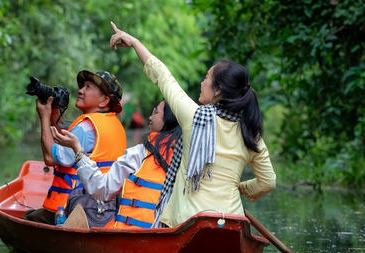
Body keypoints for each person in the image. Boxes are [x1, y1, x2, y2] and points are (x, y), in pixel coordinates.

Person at [109, 22, 276, 228]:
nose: (202, 83)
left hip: (188, 222)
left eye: (206, 78)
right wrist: (239, 188)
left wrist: (135, 42)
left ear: (217, 90)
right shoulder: (250, 131)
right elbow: (268, 182)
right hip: (232, 222)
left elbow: (163, 77)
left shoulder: (193, 116)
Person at [51, 100, 182, 228]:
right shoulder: (186, 157)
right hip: (164, 237)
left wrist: (78, 150)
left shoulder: (139, 153)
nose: (150, 116)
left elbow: (101, 189)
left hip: (131, 237)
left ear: (168, 121)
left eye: (156, 112)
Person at [22, 70, 127, 224]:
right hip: (104, 208)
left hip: (73, 207)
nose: (80, 90)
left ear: (103, 101)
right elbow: (63, 142)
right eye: (82, 86)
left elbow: (50, 159)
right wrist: (54, 114)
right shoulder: (112, 124)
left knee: (28, 218)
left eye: (88, 87)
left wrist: (44, 117)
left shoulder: (85, 127)